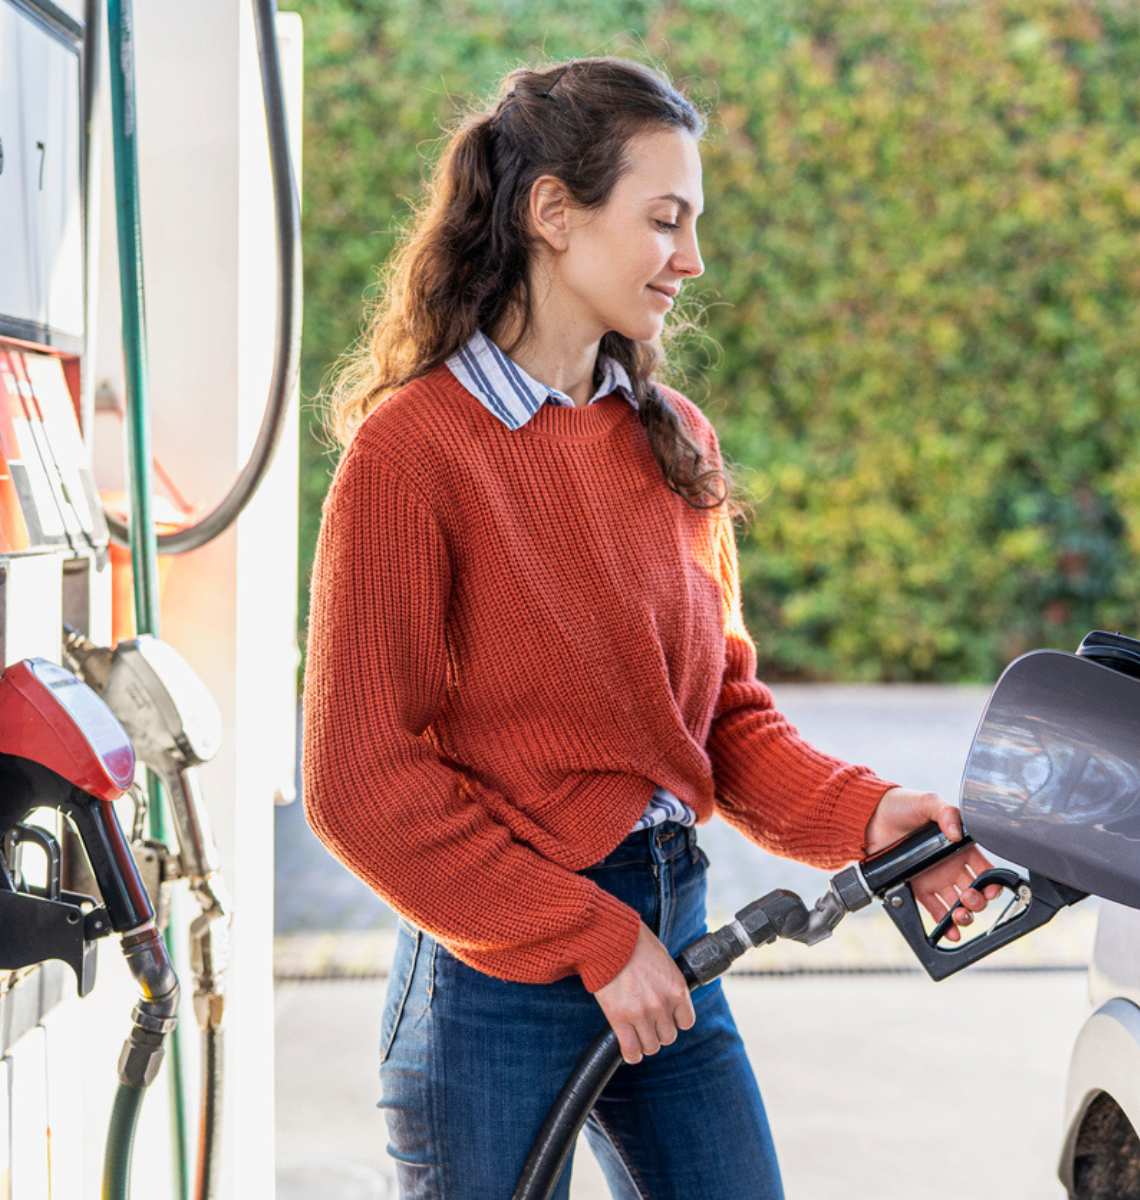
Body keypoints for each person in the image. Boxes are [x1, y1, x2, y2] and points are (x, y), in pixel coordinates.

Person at [301, 55, 1000, 1200]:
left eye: (696, 223)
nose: (693, 259)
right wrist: (586, 932)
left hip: (672, 940)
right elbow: (361, 782)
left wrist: (872, 818)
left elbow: (720, 721)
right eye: (664, 219)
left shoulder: (673, 437)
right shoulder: (412, 455)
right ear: (552, 215)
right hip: (495, 982)